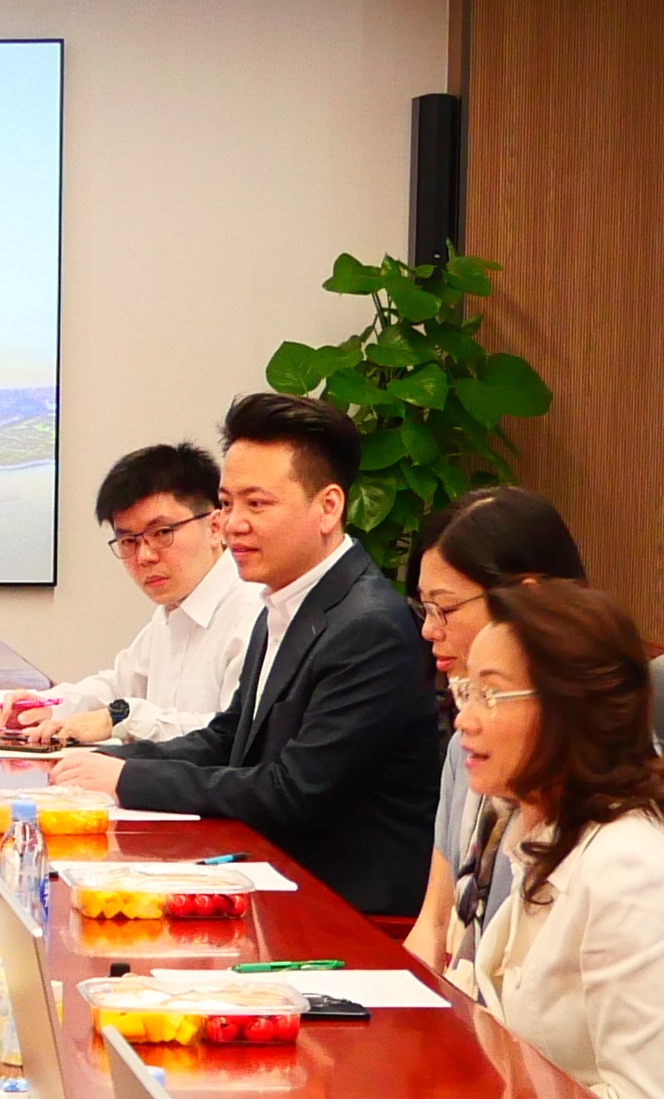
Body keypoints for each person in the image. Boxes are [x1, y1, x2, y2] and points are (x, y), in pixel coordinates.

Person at [73, 393, 442, 922]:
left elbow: (291, 791)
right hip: (276, 889)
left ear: (328, 507)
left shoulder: (368, 626)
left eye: (256, 504)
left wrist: (124, 781)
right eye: (226, 504)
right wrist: (111, 763)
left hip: (345, 919)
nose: (231, 524)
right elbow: (229, 739)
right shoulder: (287, 601)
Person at [444, 579, 664, 1099]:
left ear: (568, 710)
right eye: (465, 692)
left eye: (490, 694)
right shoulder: (543, 828)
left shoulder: (628, 867)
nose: (464, 720)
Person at [402, 487, 587, 973]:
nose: (429, 630)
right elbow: (434, 925)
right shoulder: (470, 737)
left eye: (445, 608)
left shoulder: (594, 761)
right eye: (425, 609)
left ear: (527, 601)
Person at [41, 440, 257, 746]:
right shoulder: (172, 610)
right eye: (128, 541)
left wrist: (123, 718)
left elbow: (231, 737)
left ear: (215, 527)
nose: (144, 556)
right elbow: (118, 687)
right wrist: (44, 707)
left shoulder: (253, 612)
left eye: (162, 533)